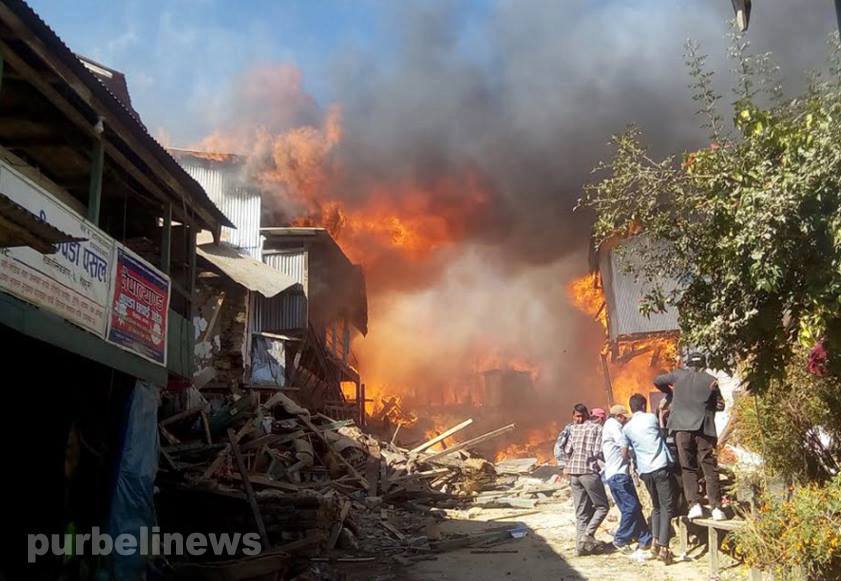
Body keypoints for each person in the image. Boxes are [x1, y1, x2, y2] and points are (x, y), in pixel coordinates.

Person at [653, 352, 726, 521]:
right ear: (704, 364)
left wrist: (671, 393)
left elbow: (657, 381)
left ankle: (694, 505)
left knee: (687, 468)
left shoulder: (678, 375)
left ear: (688, 364)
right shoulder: (711, 380)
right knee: (709, 467)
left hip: (681, 428)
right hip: (704, 429)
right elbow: (721, 405)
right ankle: (716, 507)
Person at [623, 393, 675, 564]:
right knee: (667, 507)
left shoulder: (627, 428)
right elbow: (662, 431)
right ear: (644, 406)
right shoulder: (651, 418)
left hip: (645, 471)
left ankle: (654, 544)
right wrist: (661, 412)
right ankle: (664, 547)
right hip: (660, 466)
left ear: (631, 408)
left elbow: (625, 452)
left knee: (656, 507)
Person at [602, 404, 653, 560]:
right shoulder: (613, 426)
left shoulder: (611, 426)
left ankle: (646, 539)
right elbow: (625, 445)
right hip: (618, 475)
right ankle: (621, 538)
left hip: (617, 474)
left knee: (633, 508)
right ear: (618, 416)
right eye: (624, 418)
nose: (625, 421)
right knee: (631, 507)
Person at [564, 403, 610, 556]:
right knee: (602, 507)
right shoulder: (597, 428)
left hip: (574, 474)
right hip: (588, 472)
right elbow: (597, 451)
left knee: (581, 512)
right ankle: (587, 536)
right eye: (577, 416)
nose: (578, 419)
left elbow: (567, 450)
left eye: (579, 416)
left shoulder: (573, 428)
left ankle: (579, 548)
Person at [554, 403, 589, 470]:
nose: (581, 419)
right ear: (573, 416)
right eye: (578, 416)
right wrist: (562, 464)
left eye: (583, 416)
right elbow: (559, 445)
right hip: (573, 467)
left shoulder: (592, 429)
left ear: (587, 416)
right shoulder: (569, 429)